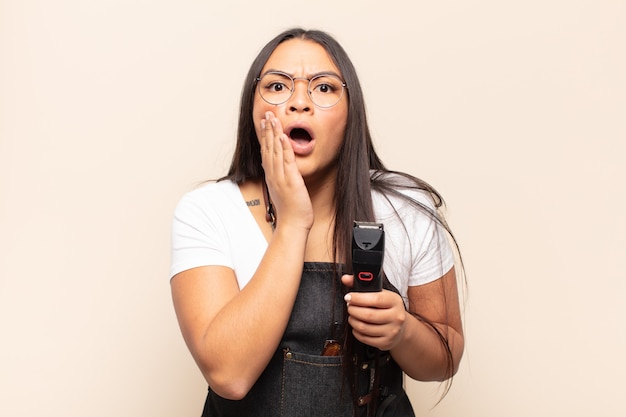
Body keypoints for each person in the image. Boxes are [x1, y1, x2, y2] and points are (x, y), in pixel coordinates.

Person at [170, 28, 465, 417]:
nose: (299, 103)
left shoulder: (405, 209)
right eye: (277, 86)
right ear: (252, 109)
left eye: (323, 88)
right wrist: (293, 222)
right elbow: (229, 376)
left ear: (351, 112)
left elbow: (445, 358)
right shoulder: (208, 210)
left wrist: (403, 331)